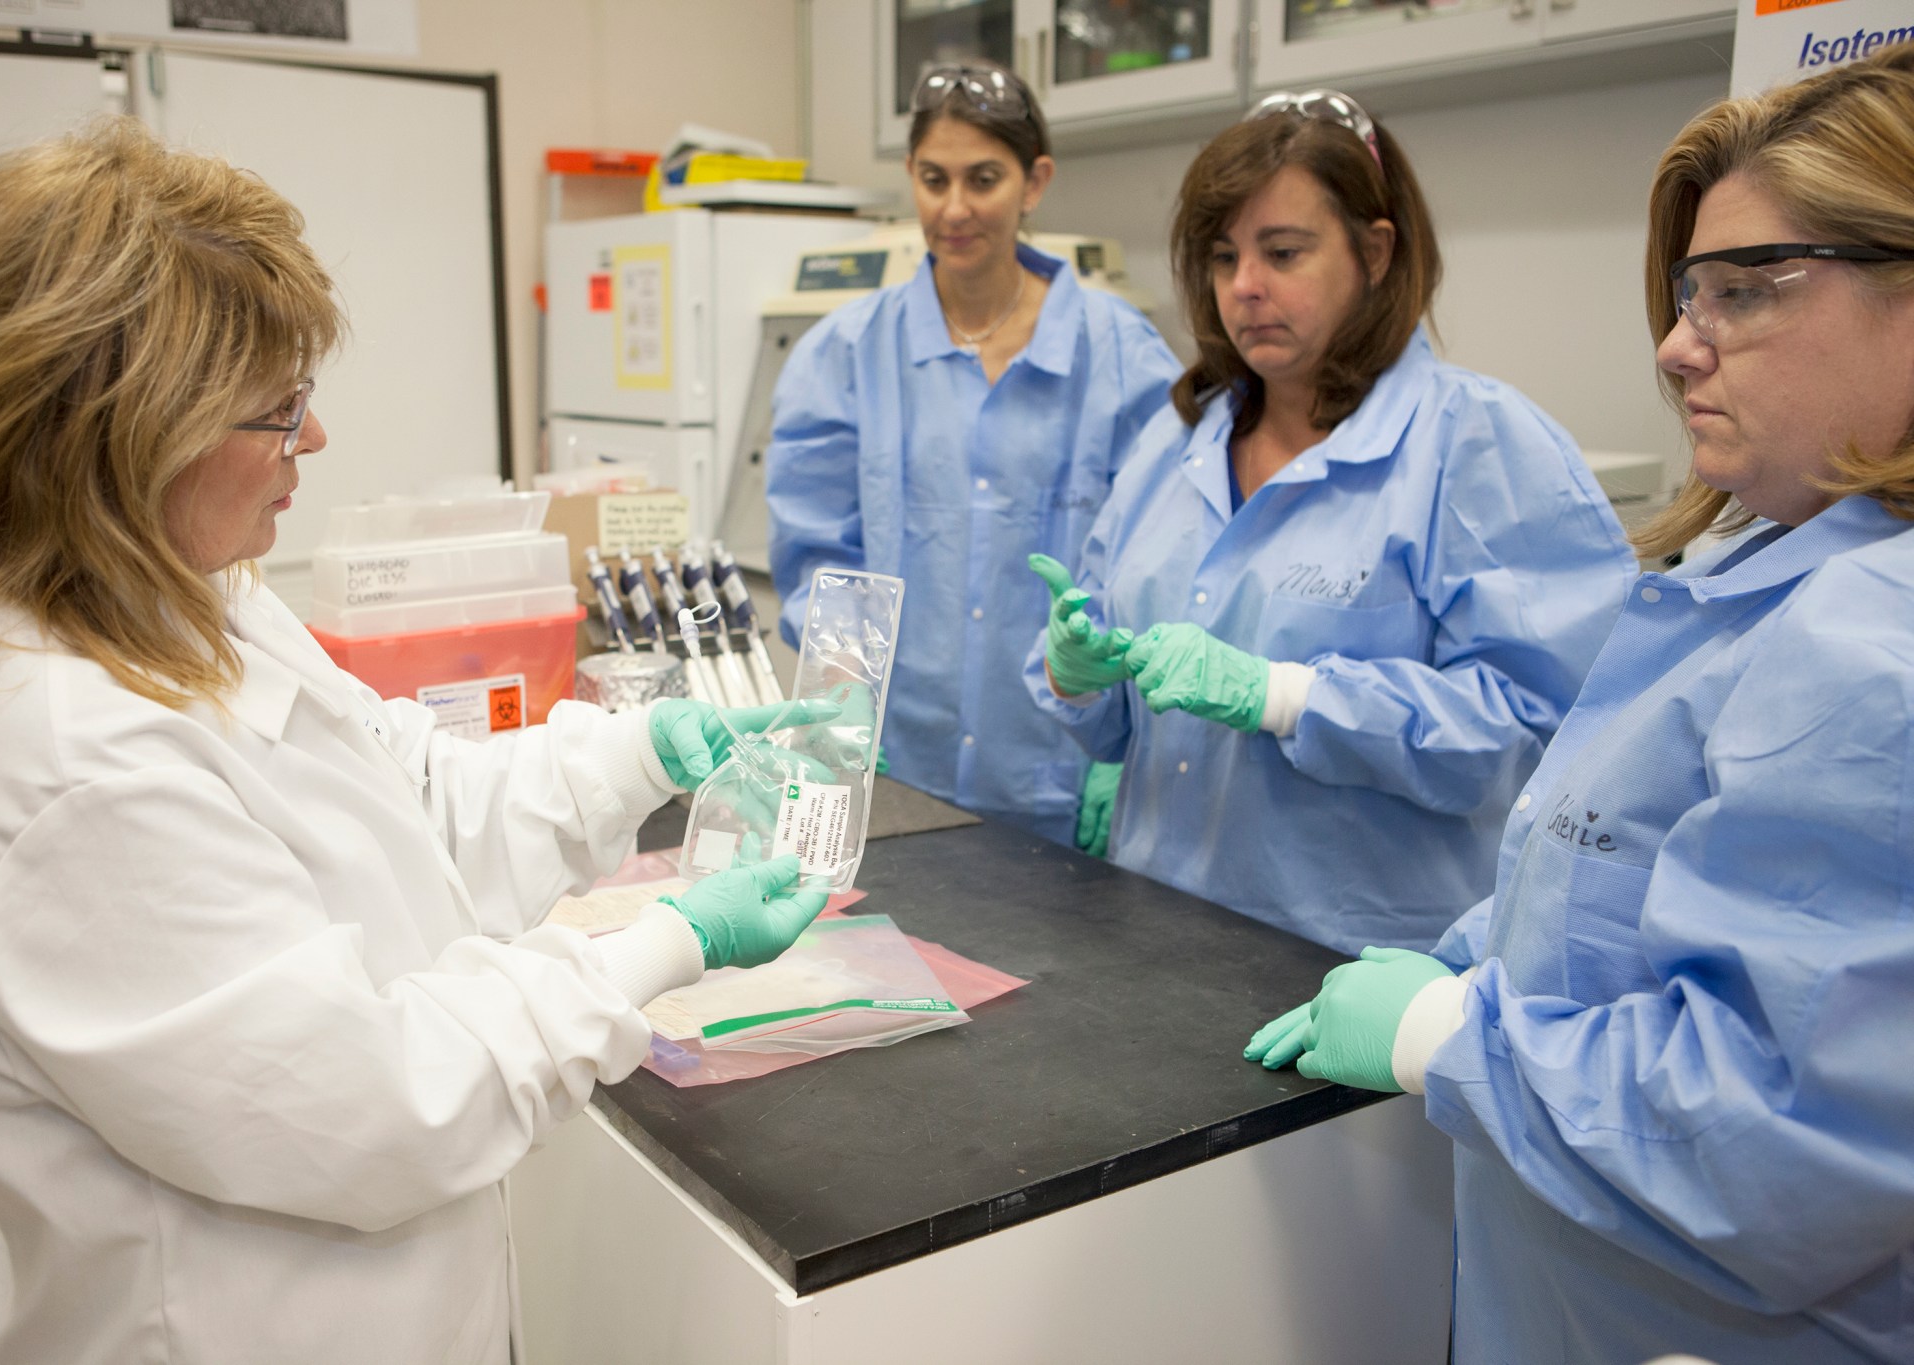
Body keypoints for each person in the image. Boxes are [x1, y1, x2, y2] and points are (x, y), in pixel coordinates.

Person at [0, 118, 834, 1365]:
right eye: (273, 411)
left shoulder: (181, 594)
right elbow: (379, 1104)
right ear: (112, 433)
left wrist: (637, 752)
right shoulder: (66, 761)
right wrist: (665, 941)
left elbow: (402, 797)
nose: (311, 442)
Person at [1254, 47, 1914, 1364]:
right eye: (1685, 294)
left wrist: (1456, 1036)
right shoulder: (1749, 576)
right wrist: (1477, 951)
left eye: (1747, 291)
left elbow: (1782, 1137)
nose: (1677, 347)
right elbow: (1616, 868)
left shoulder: (1876, 645)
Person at [1023, 89, 1635, 955]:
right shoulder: (1178, 441)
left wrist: (1287, 696)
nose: (1245, 288)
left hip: (1352, 975)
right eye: (1223, 255)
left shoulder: (1476, 446)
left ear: (1376, 251)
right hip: (1154, 939)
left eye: (1283, 252)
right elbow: (1115, 718)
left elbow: (1544, 740)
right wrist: (1077, 671)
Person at [767, 60, 1180, 854]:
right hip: (895, 771)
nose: (954, 209)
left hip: (1063, 768)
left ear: (1035, 182)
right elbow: (820, 555)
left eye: (984, 179)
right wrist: (845, 707)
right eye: (933, 178)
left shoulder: (1125, 356)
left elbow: (1157, 564)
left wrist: (1124, 741)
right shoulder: (845, 355)